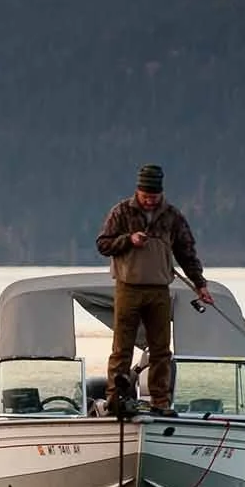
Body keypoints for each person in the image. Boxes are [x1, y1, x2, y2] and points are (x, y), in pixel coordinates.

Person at [95, 163, 215, 417]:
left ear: (161, 193)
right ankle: (115, 398)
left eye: (154, 196)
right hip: (128, 287)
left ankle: (160, 401)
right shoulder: (122, 212)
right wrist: (128, 240)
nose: (149, 201)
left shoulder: (172, 216)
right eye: (145, 196)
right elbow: (103, 244)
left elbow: (186, 252)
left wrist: (200, 284)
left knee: (161, 349)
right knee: (122, 348)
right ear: (138, 191)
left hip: (160, 290)